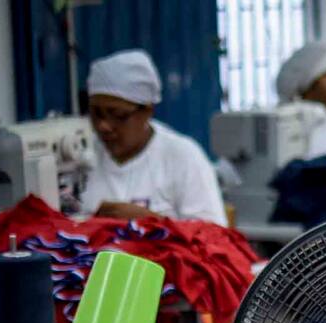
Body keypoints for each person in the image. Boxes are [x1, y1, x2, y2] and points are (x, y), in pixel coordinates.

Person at [80, 49, 227, 225]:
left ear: (147, 111)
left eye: (118, 115)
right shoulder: (82, 155)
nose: (103, 125)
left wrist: (152, 223)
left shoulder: (183, 157)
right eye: (96, 113)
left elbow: (214, 236)